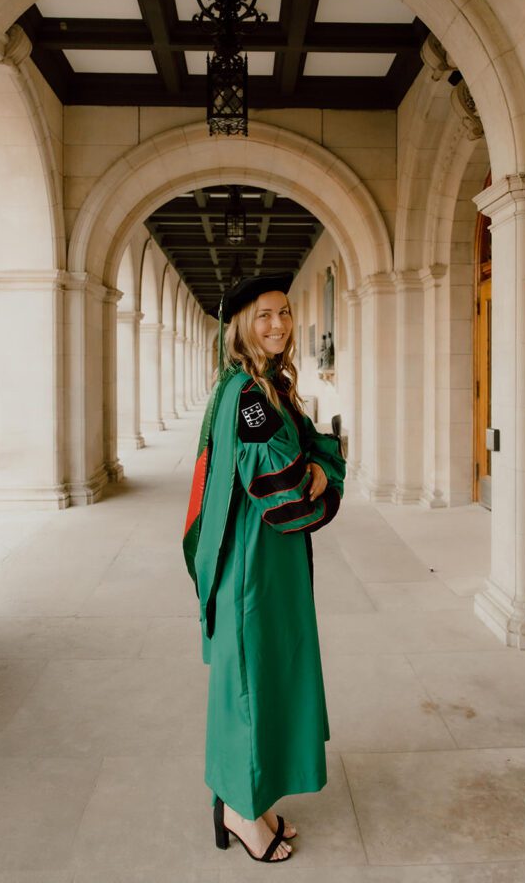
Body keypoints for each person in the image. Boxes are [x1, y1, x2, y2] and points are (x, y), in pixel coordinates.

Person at [182, 272, 346, 863]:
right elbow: (289, 486)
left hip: (269, 556)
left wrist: (318, 460)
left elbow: (306, 451)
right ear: (240, 327)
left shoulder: (262, 384)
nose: (278, 324)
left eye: (284, 312)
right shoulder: (251, 396)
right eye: (264, 315)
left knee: (267, 673)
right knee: (249, 681)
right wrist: (323, 470)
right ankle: (238, 810)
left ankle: (253, 797)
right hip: (255, 558)